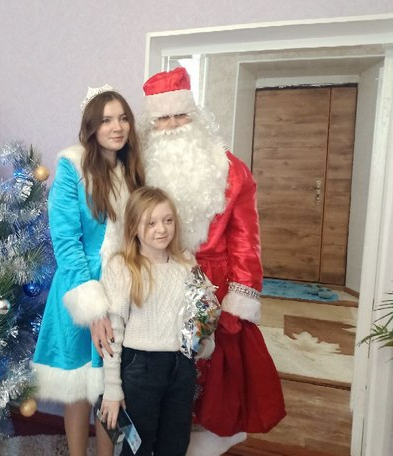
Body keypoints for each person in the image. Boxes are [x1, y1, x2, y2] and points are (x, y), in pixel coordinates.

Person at [139, 67, 286, 456]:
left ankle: (205, 440)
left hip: (215, 285)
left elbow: (246, 239)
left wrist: (240, 296)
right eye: (163, 118)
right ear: (151, 125)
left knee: (215, 378)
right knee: (160, 369)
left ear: (195, 115)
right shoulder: (139, 169)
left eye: (180, 115)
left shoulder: (230, 169)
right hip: (155, 283)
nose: (173, 126)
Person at [31, 85, 145, 456]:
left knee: (111, 385)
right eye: (107, 120)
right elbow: (66, 243)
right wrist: (93, 309)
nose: (117, 127)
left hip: (122, 287)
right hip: (81, 286)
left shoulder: (133, 171)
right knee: (80, 386)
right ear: (92, 127)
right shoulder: (72, 167)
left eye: (123, 118)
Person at [99, 186, 218, 456]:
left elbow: (202, 312)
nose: (162, 229)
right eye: (150, 223)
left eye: (168, 220)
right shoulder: (122, 267)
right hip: (140, 369)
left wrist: (204, 344)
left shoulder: (186, 262)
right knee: (136, 448)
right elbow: (114, 332)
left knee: (175, 444)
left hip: (181, 368)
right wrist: (112, 389)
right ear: (133, 227)